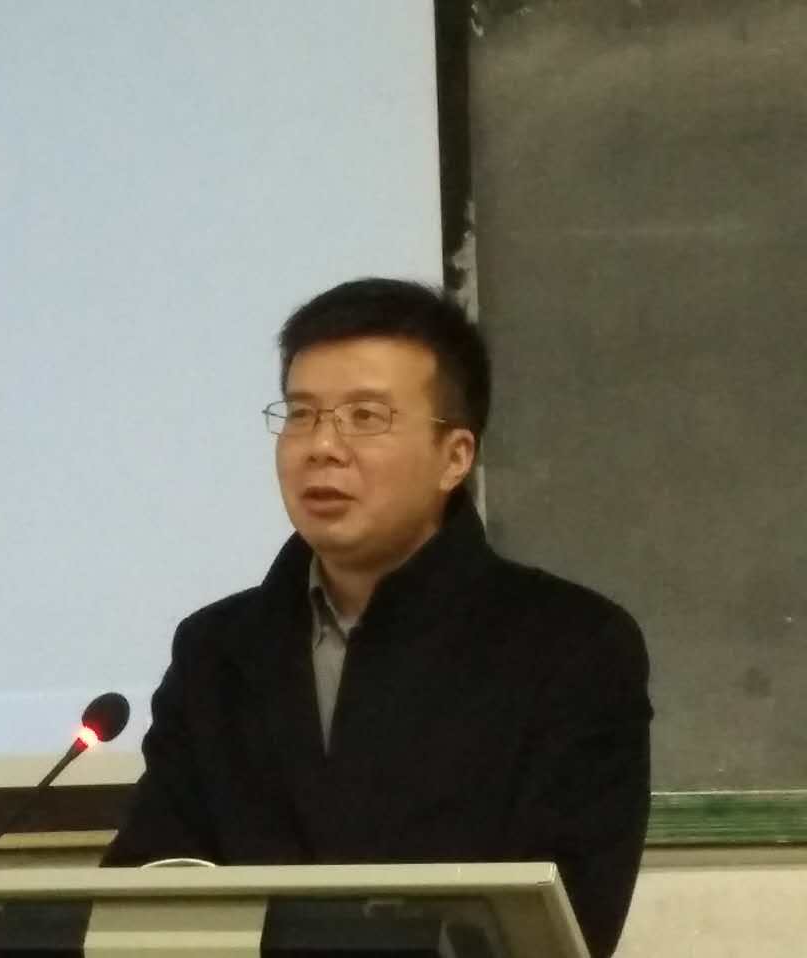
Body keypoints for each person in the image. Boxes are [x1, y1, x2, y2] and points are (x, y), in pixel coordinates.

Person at [102, 278, 653, 958]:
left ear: (455, 457)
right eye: (302, 414)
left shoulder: (572, 647)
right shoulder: (217, 651)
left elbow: (566, 921)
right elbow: (149, 887)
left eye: (365, 417)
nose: (322, 447)